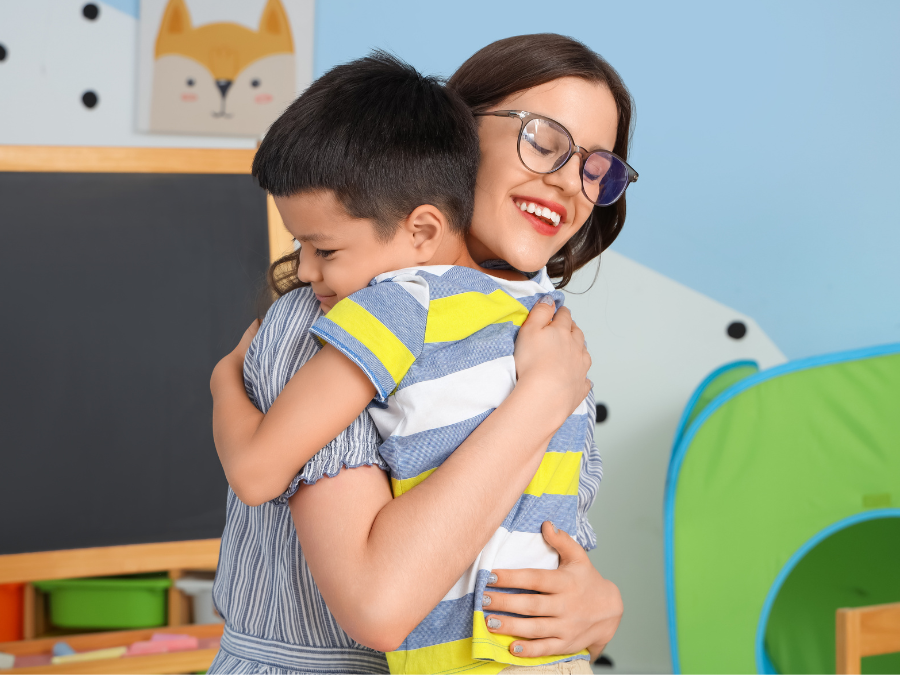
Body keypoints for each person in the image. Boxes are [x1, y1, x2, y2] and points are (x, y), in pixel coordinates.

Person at [209, 33, 633, 674]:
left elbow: (522, 548)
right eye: (545, 142)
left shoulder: (537, 335)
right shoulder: (335, 318)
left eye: (595, 167)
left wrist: (595, 609)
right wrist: (540, 399)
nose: (569, 182)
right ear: (456, 134)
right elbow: (380, 604)